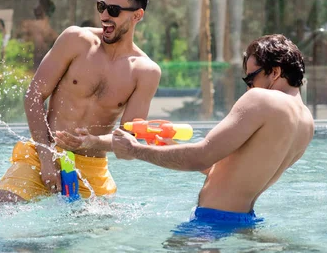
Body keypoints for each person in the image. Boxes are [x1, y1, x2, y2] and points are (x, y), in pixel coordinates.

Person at [112, 34, 314, 239]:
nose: (248, 87)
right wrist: (169, 146)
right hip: (244, 223)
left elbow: (201, 156)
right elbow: (226, 170)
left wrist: (134, 149)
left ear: (275, 72)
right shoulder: (306, 122)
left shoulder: (261, 99)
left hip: (210, 224)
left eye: (251, 78)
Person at [0, 0, 161, 204]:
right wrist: (47, 157)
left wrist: (92, 141)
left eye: (113, 10)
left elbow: (127, 141)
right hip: (42, 155)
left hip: (92, 168)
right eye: (102, 7)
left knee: (96, 233)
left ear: (137, 16)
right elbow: (34, 96)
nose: (104, 16)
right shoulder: (76, 40)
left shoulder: (145, 72)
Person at [16, 0, 59, 70]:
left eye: (38, 6)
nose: (34, 8)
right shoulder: (53, 35)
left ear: (41, 9)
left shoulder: (27, 26)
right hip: (42, 71)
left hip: (26, 70)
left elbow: (17, 45)